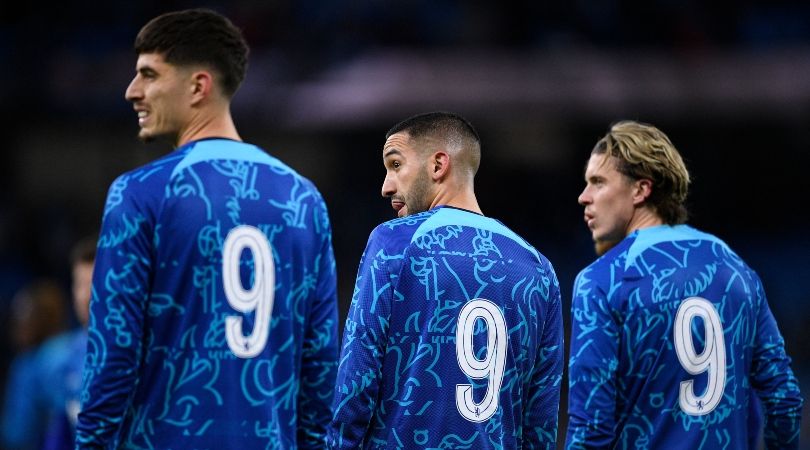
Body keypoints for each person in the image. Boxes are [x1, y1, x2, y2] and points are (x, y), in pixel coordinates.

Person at [76, 9, 338, 448]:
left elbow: (113, 355)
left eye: (148, 75)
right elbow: (321, 365)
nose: (131, 92)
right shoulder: (303, 199)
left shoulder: (139, 193)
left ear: (198, 86)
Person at [328, 111, 564, 448]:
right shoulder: (539, 269)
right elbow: (540, 424)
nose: (386, 186)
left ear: (438, 165)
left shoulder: (394, 243)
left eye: (395, 165)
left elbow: (356, 384)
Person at [566, 120, 803, 448]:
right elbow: (784, 399)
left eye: (598, 182)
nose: (584, 196)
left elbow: (592, 427)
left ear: (640, 189)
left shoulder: (602, 281)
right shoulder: (735, 269)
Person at [35, 236, 96, 450]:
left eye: (94, 283)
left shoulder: (142, 353)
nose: (85, 295)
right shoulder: (60, 359)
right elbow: (59, 433)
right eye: (79, 284)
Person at [0, 279, 69, 450]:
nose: (16, 322)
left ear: (44, 317)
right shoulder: (76, 346)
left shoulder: (29, 364)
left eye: (24, 314)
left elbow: (19, 433)